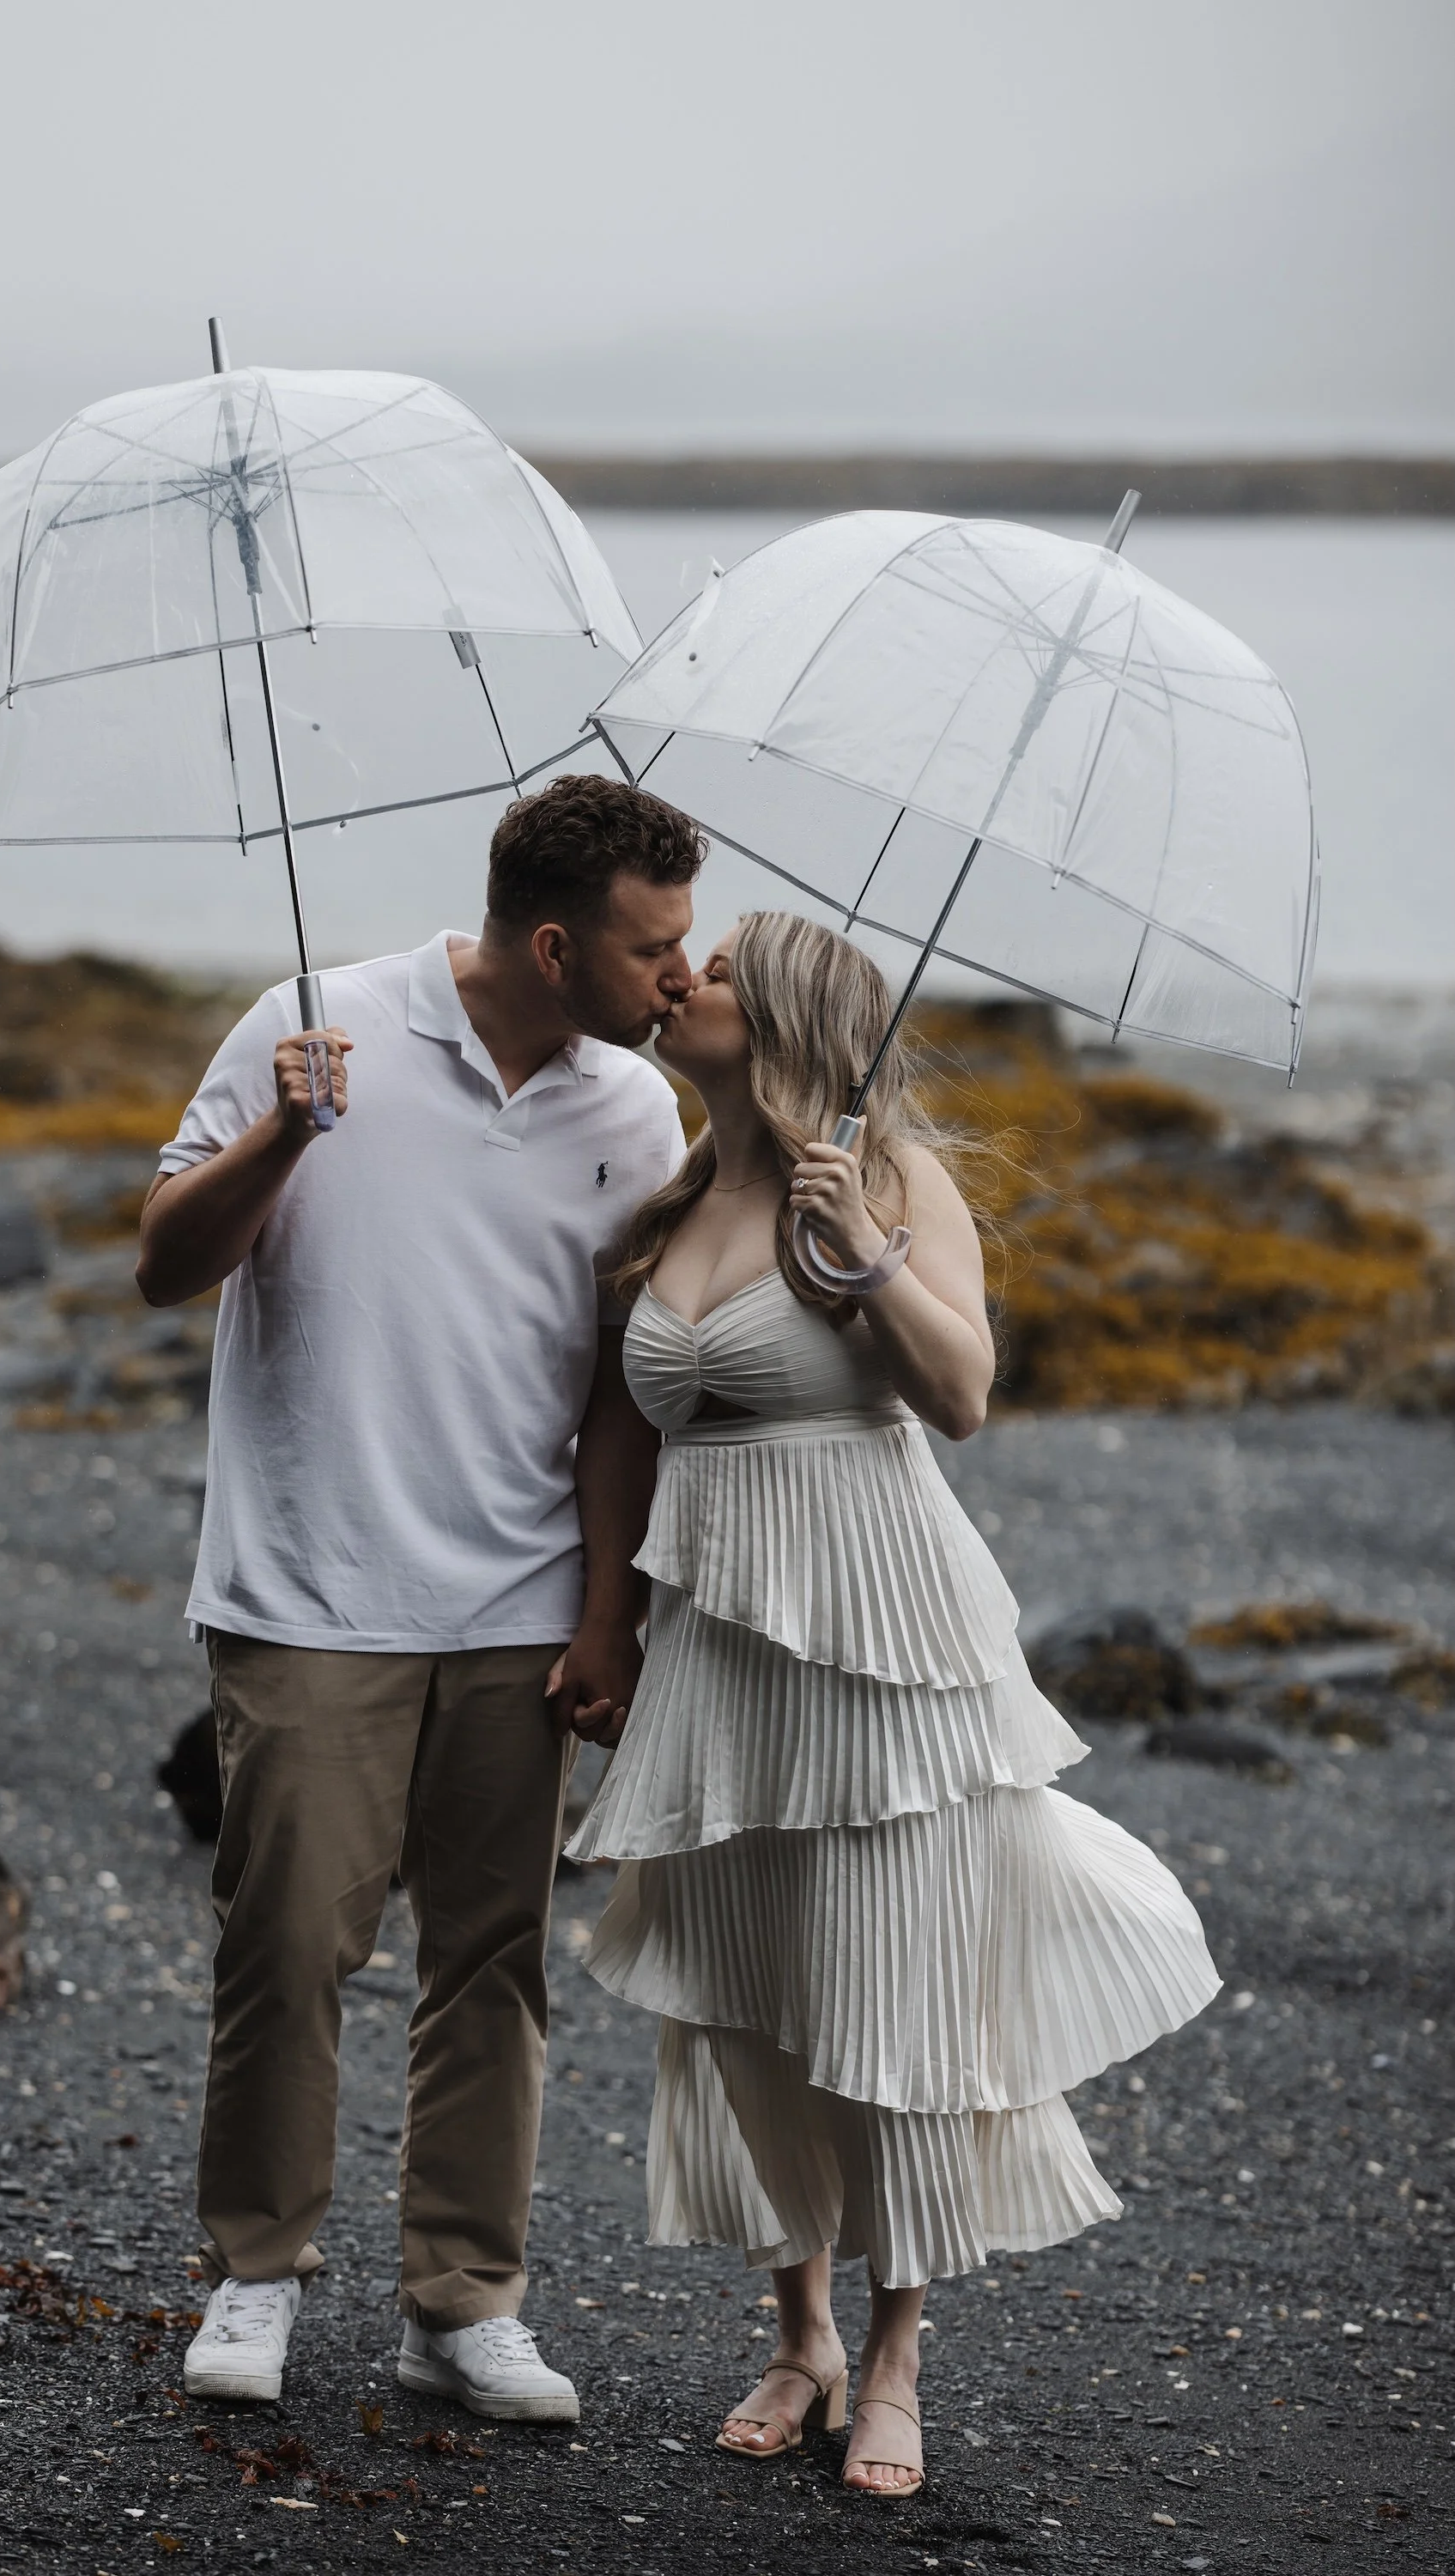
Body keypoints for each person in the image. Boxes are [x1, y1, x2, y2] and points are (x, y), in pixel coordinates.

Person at [565, 912, 1220, 2495]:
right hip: (714, 1641)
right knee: (741, 1984)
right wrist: (604, 1631)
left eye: (713, 971)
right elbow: (621, 1439)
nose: (680, 983)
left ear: (782, 1014)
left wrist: (864, 1264)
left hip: (884, 1639)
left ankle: (899, 2351)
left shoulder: (897, 1183)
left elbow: (966, 1396)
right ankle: (799, 2333)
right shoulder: (665, 1204)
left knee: (894, 1985)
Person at [136, 775, 703, 2420]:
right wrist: (283, 1133)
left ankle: (462, 2305)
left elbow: (614, 1386)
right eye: (655, 948)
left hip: (519, 1605)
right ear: (553, 942)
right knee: (285, 1952)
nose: (683, 976)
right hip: (309, 1592)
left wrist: (611, 1616)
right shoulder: (308, 1026)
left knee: (492, 1963)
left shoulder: (633, 1113)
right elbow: (168, 1262)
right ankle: (255, 2277)